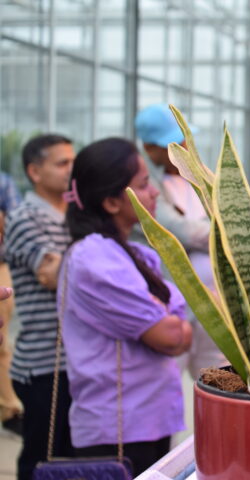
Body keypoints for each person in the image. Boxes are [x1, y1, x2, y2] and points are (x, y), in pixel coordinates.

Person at [60, 138, 191, 475]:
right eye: (144, 185)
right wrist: (168, 315)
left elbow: (179, 326)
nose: (155, 193)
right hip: (117, 428)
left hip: (149, 418)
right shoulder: (94, 257)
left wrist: (169, 316)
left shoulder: (136, 253)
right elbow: (172, 336)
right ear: (111, 201)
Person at [4, 134, 75, 480]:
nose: (70, 169)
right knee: (40, 461)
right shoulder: (26, 217)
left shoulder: (72, 214)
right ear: (34, 171)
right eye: (62, 163)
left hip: (72, 362)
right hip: (43, 364)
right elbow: (50, 274)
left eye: (73, 161)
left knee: (67, 459)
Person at [134, 104, 223, 380]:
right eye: (172, 143)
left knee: (219, 380)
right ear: (150, 149)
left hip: (217, 305)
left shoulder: (198, 177)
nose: (183, 145)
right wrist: (224, 234)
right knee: (167, 381)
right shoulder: (145, 186)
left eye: (184, 138)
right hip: (173, 308)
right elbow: (176, 229)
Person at [0, 172, 23, 435]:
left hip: (0, 265)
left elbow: (11, 223)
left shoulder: (3, 182)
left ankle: (9, 407)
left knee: (2, 343)